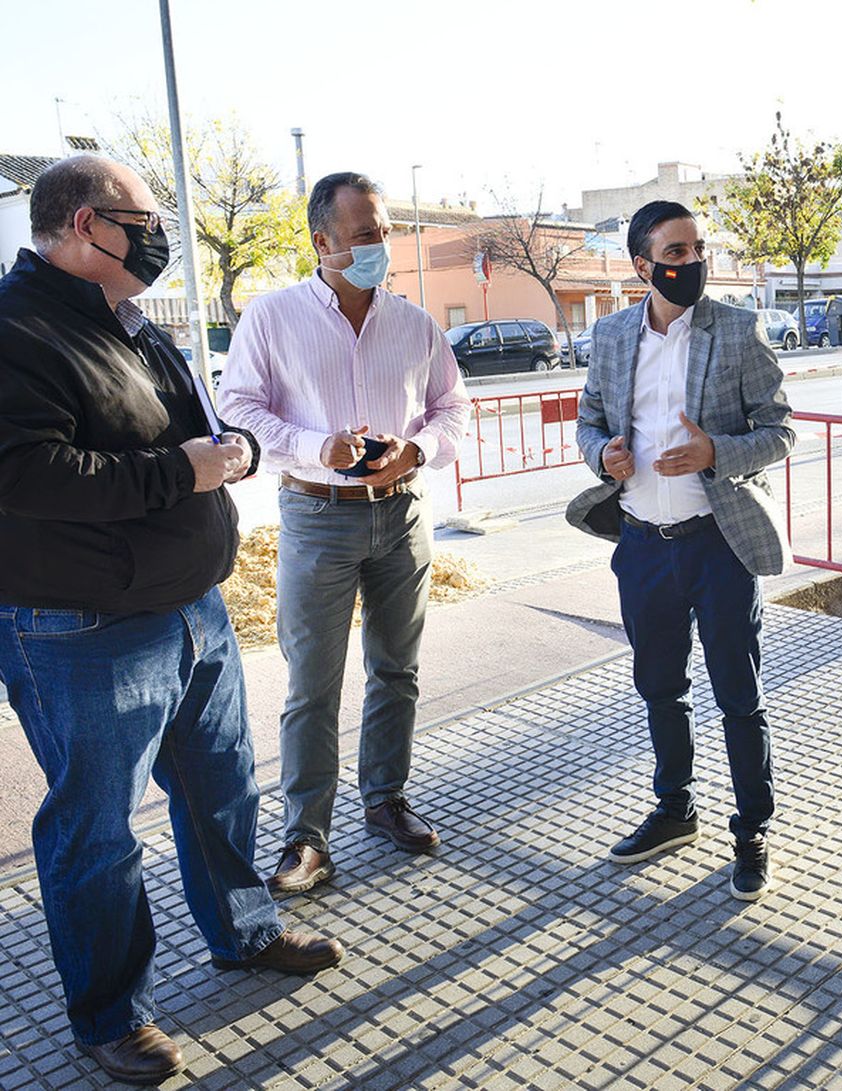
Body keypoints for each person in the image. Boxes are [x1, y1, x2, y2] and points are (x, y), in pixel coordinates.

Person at [0, 155, 344, 1086]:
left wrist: (229, 453)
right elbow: (26, 475)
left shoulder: (126, 322)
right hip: (83, 630)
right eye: (142, 219)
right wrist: (180, 473)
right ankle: (111, 1014)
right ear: (82, 224)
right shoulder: (16, 328)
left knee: (221, 789)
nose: (160, 235)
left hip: (191, 607)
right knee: (98, 831)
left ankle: (244, 932)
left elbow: (175, 433)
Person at [218, 172, 471, 897]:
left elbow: (452, 403)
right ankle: (307, 838)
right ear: (322, 241)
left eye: (385, 231)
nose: (380, 246)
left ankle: (386, 799)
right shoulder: (272, 318)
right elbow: (237, 407)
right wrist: (312, 445)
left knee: (398, 669)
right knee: (312, 684)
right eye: (365, 235)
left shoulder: (414, 321)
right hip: (316, 515)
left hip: (402, 513)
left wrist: (417, 449)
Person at [568, 200, 795, 900]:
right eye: (674, 253)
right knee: (660, 687)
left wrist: (714, 452)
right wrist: (599, 454)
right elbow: (588, 420)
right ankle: (675, 809)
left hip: (718, 546)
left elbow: (781, 430)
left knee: (738, 695)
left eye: (697, 249)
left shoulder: (737, 329)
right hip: (642, 546)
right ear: (642, 266)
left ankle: (752, 828)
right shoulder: (608, 336)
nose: (690, 263)